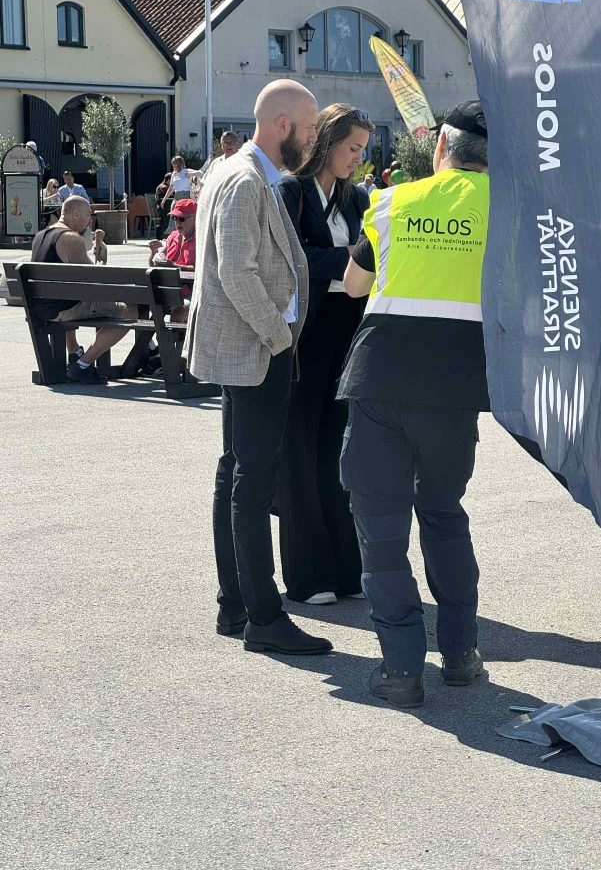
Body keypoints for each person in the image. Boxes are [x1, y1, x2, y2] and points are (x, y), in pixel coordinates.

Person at [340, 101, 491, 709]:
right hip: (454, 390)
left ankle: (401, 670)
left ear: (440, 148)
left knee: (380, 528)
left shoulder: (393, 201)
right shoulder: (511, 211)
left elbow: (355, 284)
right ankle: (460, 654)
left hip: (379, 378)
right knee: (443, 512)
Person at [183, 78, 332, 656]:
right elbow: (236, 273)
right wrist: (277, 337)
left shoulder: (236, 171)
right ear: (281, 125)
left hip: (246, 349)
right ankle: (263, 617)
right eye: (311, 129)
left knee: (236, 473)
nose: (314, 140)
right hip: (255, 350)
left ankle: (236, 605)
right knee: (253, 481)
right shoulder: (246, 180)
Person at [277, 104, 375, 605]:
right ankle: (308, 574)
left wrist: (349, 264)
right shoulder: (291, 191)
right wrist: (350, 261)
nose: (358, 158)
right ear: (328, 142)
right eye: (352, 148)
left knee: (339, 450)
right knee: (300, 449)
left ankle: (345, 568)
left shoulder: (356, 198)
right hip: (304, 334)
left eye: (362, 150)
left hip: (347, 331)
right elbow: (292, 257)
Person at [29, 196, 137, 384]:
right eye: (88, 215)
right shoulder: (71, 239)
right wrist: (101, 259)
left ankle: (74, 351)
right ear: (76, 214)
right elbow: (94, 282)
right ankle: (83, 365)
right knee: (130, 312)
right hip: (64, 309)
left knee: (72, 293)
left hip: (41, 308)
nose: (90, 221)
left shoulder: (40, 236)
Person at [152, 197, 197, 322]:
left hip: (190, 292)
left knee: (180, 311)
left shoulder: (202, 240)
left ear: (195, 218)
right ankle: (146, 335)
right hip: (166, 290)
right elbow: (155, 262)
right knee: (140, 305)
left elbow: (202, 269)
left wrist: (175, 267)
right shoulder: (173, 236)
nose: (177, 223)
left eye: (181, 219)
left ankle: (171, 336)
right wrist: (154, 254)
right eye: (174, 218)